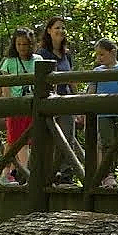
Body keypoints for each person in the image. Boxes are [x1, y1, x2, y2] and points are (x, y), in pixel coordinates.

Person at [36, 16, 84, 184]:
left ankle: (66, 175)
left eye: (63, 28)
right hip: (49, 102)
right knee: (50, 138)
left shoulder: (67, 54)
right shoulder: (41, 54)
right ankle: (46, 173)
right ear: (49, 30)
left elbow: (71, 80)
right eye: (57, 28)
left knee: (67, 137)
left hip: (66, 102)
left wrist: (77, 103)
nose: (61, 31)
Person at [0, 28, 39, 185]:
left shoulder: (38, 60)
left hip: (32, 106)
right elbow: (2, 85)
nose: (22, 47)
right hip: (15, 106)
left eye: (25, 44)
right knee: (15, 141)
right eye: (19, 44)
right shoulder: (9, 62)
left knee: (28, 141)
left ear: (31, 44)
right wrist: (4, 106)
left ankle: (13, 173)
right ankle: (22, 174)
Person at [87, 38, 118, 188]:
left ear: (113, 52)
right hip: (103, 113)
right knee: (106, 143)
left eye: (102, 55)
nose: (99, 58)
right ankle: (107, 174)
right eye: (97, 55)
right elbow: (91, 90)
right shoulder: (97, 71)